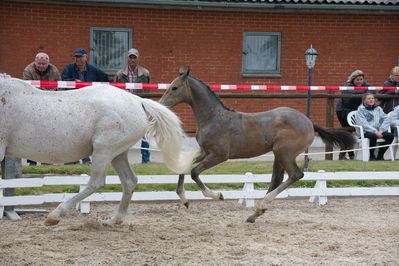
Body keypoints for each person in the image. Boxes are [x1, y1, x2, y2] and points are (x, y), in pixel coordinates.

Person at [62, 48, 113, 164]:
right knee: (72, 132)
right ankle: (72, 159)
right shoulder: (68, 69)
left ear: (86, 58)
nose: (78, 60)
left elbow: (106, 79)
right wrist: (75, 81)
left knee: (86, 134)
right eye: (76, 57)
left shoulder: (93, 70)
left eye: (80, 57)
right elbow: (64, 80)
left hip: (89, 107)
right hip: (72, 105)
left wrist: (117, 84)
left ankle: (85, 158)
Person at [23, 52, 61, 166]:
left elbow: (60, 86)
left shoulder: (54, 70)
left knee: (49, 134)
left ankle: (47, 160)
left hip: (51, 106)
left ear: (48, 63)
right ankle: (31, 160)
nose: (41, 66)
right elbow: (28, 88)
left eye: (44, 63)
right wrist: (46, 92)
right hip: (33, 106)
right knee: (32, 133)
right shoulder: (28, 70)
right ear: (35, 61)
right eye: (39, 63)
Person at [115, 48, 151, 163]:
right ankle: (120, 156)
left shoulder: (145, 73)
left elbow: (148, 90)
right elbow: (115, 92)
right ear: (127, 58)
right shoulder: (120, 74)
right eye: (130, 57)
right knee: (122, 130)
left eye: (134, 57)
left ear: (138, 58)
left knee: (144, 130)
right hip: (124, 106)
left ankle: (146, 158)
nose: (132, 60)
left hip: (140, 104)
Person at [336, 70, 372, 160]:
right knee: (348, 132)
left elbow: (372, 91)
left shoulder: (365, 85)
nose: (359, 81)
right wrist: (364, 93)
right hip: (343, 110)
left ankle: (343, 155)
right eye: (357, 80)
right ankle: (350, 155)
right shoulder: (348, 85)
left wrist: (363, 92)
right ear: (353, 79)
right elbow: (351, 95)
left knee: (350, 132)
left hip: (354, 110)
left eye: (361, 79)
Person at [356, 93, 394, 161]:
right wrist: (375, 131)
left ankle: (380, 156)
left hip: (378, 131)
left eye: (372, 98)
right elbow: (363, 124)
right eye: (369, 98)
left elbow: (386, 118)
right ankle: (372, 156)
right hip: (365, 132)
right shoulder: (361, 110)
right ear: (364, 100)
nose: (371, 100)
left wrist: (381, 130)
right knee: (373, 135)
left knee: (390, 136)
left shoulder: (378, 108)